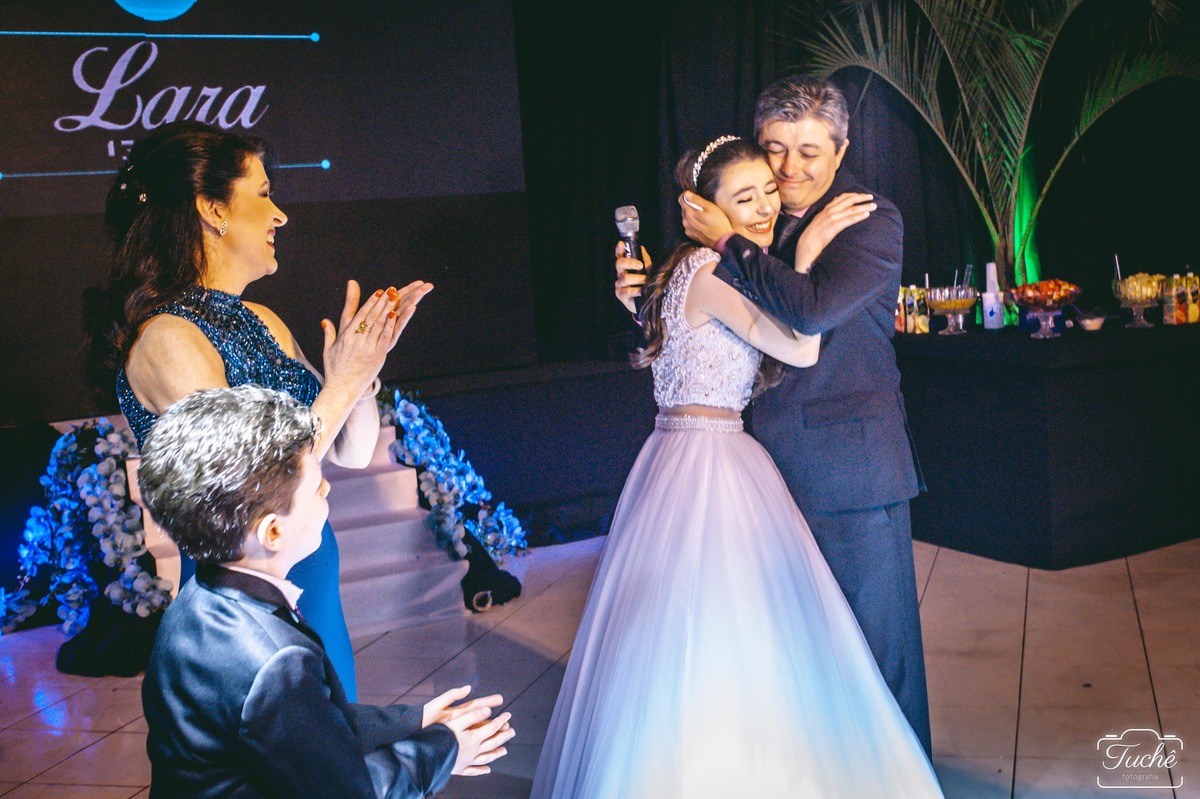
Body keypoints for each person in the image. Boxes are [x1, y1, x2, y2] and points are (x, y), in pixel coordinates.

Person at [533, 136, 942, 797]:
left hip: (677, 453)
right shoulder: (712, 270)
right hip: (713, 460)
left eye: (769, 193)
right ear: (706, 210)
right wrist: (804, 259)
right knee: (726, 624)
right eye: (744, 198)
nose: (765, 208)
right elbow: (800, 349)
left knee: (691, 627)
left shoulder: (686, 269)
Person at [615, 74, 932, 756]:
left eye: (809, 151)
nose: (789, 169)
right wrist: (643, 294)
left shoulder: (867, 219)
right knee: (798, 665)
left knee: (879, 662)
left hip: (847, 473)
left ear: (841, 149)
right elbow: (705, 324)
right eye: (775, 149)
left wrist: (730, 243)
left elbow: (810, 312)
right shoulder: (754, 218)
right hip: (757, 479)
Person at [88, 120, 431, 700]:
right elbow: (254, 488)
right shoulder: (166, 338)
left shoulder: (264, 321)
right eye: (264, 193)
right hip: (243, 607)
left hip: (313, 580)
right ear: (212, 209)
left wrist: (361, 376)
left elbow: (351, 451)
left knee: (333, 737)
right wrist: (342, 382)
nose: (280, 216)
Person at [137, 385, 515, 798]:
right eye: (317, 488)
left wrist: (414, 721)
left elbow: (306, 727)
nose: (328, 491)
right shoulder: (277, 659)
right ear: (273, 532)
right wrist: (447, 749)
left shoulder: (193, 600)